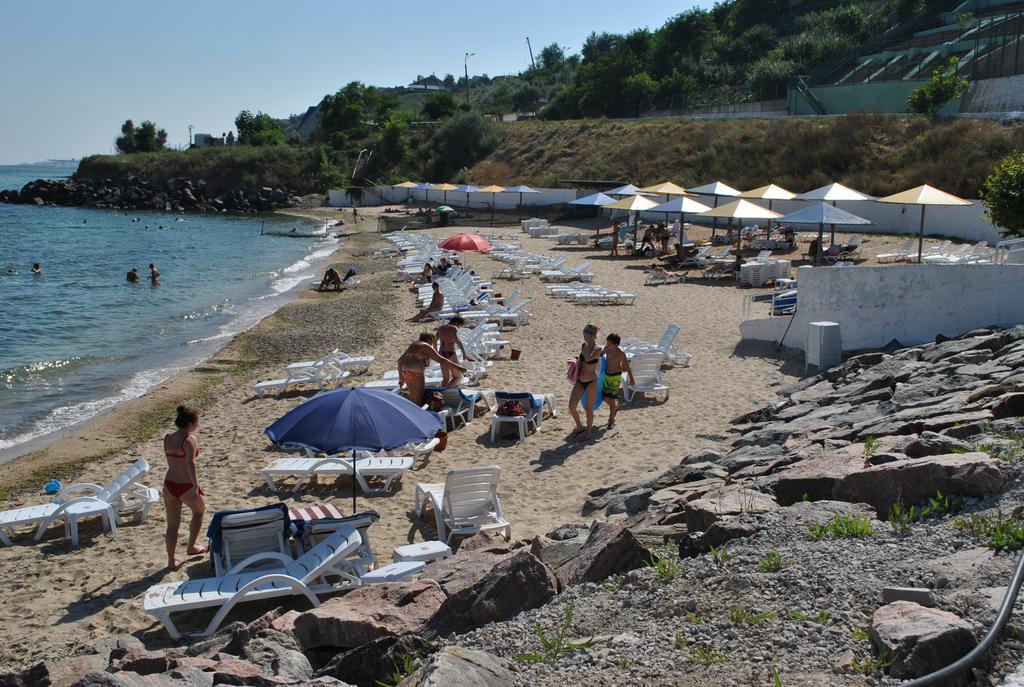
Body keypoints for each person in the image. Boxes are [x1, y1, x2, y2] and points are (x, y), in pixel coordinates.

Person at [162, 405, 207, 568]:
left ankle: (170, 561)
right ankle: (192, 546)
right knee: (199, 512)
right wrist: (195, 486)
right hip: (186, 485)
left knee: (172, 525)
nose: (198, 425)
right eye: (197, 422)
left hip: (169, 484)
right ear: (190, 423)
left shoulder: (167, 437)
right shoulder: (190, 439)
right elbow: (190, 464)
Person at [398, 333, 468, 405]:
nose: (432, 343)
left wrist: (401, 378)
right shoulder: (426, 346)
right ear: (429, 339)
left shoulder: (413, 345)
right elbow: (442, 360)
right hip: (416, 373)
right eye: (432, 341)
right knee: (418, 397)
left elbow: (400, 361)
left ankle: (409, 412)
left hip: (405, 371)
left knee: (412, 394)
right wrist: (459, 367)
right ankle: (415, 414)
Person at [568, 324, 603, 440]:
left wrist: (587, 350)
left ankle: (588, 432)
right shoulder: (584, 345)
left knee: (588, 409)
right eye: (584, 335)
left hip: (592, 381)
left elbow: (588, 358)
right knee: (572, 406)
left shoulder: (598, 349)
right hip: (580, 381)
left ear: (593, 336)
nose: (585, 337)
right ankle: (579, 426)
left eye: (587, 335)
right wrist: (575, 363)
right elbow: (582, 362)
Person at [602, 334, 635, 429]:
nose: (607, 345)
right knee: (604, 397)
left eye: (609, 344)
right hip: (606, 375)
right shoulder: (607, 349)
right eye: (606, 343)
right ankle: (615, 407)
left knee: (611, 400)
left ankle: (611, 419)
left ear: (616, 345)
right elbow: (598, 356)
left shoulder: (621, 354)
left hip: (615, 377)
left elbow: (627, 367)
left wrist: (631, 378)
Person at [435, 316, 468, 386]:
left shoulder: (441, 328)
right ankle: (446, 391)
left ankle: (442, 394)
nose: (459, 328)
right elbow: (458, 341)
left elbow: (435, 340)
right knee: (457, 376)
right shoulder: (453, 328)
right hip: (450, 352)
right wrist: (464, 353)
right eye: (460, 325)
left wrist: (435, 351)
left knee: (445, 379)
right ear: (456, 323)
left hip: (441, 353)